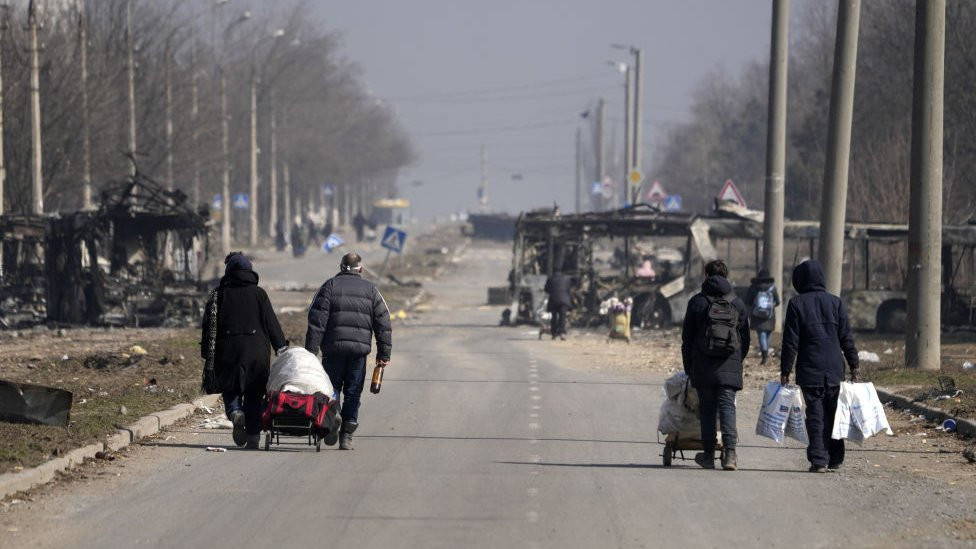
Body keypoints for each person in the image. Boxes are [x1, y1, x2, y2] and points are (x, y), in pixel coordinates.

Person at [305, 252, 392, 450]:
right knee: (353, 393)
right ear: (360, 268)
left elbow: (316, 320)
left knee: (332, 389)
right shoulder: (371, 290)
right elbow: (383, 323)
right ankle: (346, 436)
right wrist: (383, 354)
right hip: (358, 353)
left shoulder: (329, 286)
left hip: (332, 351)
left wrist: (310, 351)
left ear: (340, 266)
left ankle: (333, 414)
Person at [780, 259, 860, 473]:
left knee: (815, 414)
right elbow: (846, 338)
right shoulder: (835, 302)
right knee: (834, 414)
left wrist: (785, 370)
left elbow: (791, 341)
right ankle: (835, 458)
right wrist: (854, 364)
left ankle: (819, 460)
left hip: (809, 368)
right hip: (834, 367)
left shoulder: (797, 304)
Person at [201, 252, 287, 449]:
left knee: (230, 387)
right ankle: (253, 437)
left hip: (228, 350)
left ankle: (235, 413)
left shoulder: (218, 295)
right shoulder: (259, 294)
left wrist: (206, 352)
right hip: (257, 352)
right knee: (255, 393)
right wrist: (281, 347)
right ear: (250, 271)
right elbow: (271, 323)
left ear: (228, 271)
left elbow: (208, 326)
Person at [681, 259, 750, 470]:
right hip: (729, 365)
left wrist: (689, 368)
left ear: (706, 275)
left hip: (703, 365)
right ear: (726, 276)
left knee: (708, 410)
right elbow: (745, 340)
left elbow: (687, 339)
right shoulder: (737, 303)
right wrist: (736, 361)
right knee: (728, 407)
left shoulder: (697, 302)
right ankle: (730, 455)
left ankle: (709, 455)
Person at [745, 268, 781, 364]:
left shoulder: (754, 287)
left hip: (757, 315)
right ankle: (766, 353)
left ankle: (764, 355)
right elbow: (777, 302)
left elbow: (748, 301)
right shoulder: (772, 288)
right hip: (770, 315)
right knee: (768, 333)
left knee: (761, 334)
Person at [543, 271, 572, 340]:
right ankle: (562, 333)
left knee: (554, 317)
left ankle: (554, 334)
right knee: (562, 317)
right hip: (564, 300)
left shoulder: (550, 279)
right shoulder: (567, 279)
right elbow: (568, 289)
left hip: (554, 300)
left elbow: (546, 290)